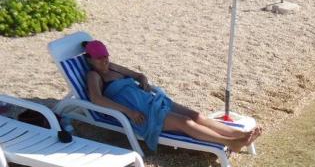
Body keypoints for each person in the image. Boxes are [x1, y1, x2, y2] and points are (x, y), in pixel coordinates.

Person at [82, 40, 261, 152]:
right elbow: (97, 99)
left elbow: (138, 75)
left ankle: (239, 133)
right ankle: (230, 142)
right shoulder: (94, 76)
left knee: (196, 115)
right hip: (141, 114)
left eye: (105, 56)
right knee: (185, 122)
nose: (104, 61)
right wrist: (128, 111)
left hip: (151, 100)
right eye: (99, 58)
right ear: (90, 59)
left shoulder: (112, 66)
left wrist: (143, 81)